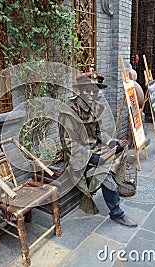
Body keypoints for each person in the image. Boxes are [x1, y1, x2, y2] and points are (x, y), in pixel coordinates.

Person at [58, 72, 138, 227]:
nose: (91, 94)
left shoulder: (95, 107)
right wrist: (92, 158)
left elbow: (99, 132)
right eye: (87, 90)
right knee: (104, 175)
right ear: (80, 91)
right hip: (77, 156)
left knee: (120, 149)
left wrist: (110, 143)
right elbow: (69, 144)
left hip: (95, 149)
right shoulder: (68, 110)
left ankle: (114, 181)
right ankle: (116, 213)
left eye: (95, 90)